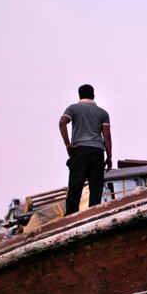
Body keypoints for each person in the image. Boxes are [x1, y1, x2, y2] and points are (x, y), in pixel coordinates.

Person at [59, 84, 112, 215]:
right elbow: (107, 136)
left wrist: (68, 145)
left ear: (79, 95)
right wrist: (109, 157)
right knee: (95, 189)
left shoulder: (73, 108)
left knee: (75, 188)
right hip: (97, 152)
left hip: (80, 152)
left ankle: (70, 219)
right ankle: (93, 217)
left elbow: (62, 122)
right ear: (93, 96)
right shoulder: (103, 113)